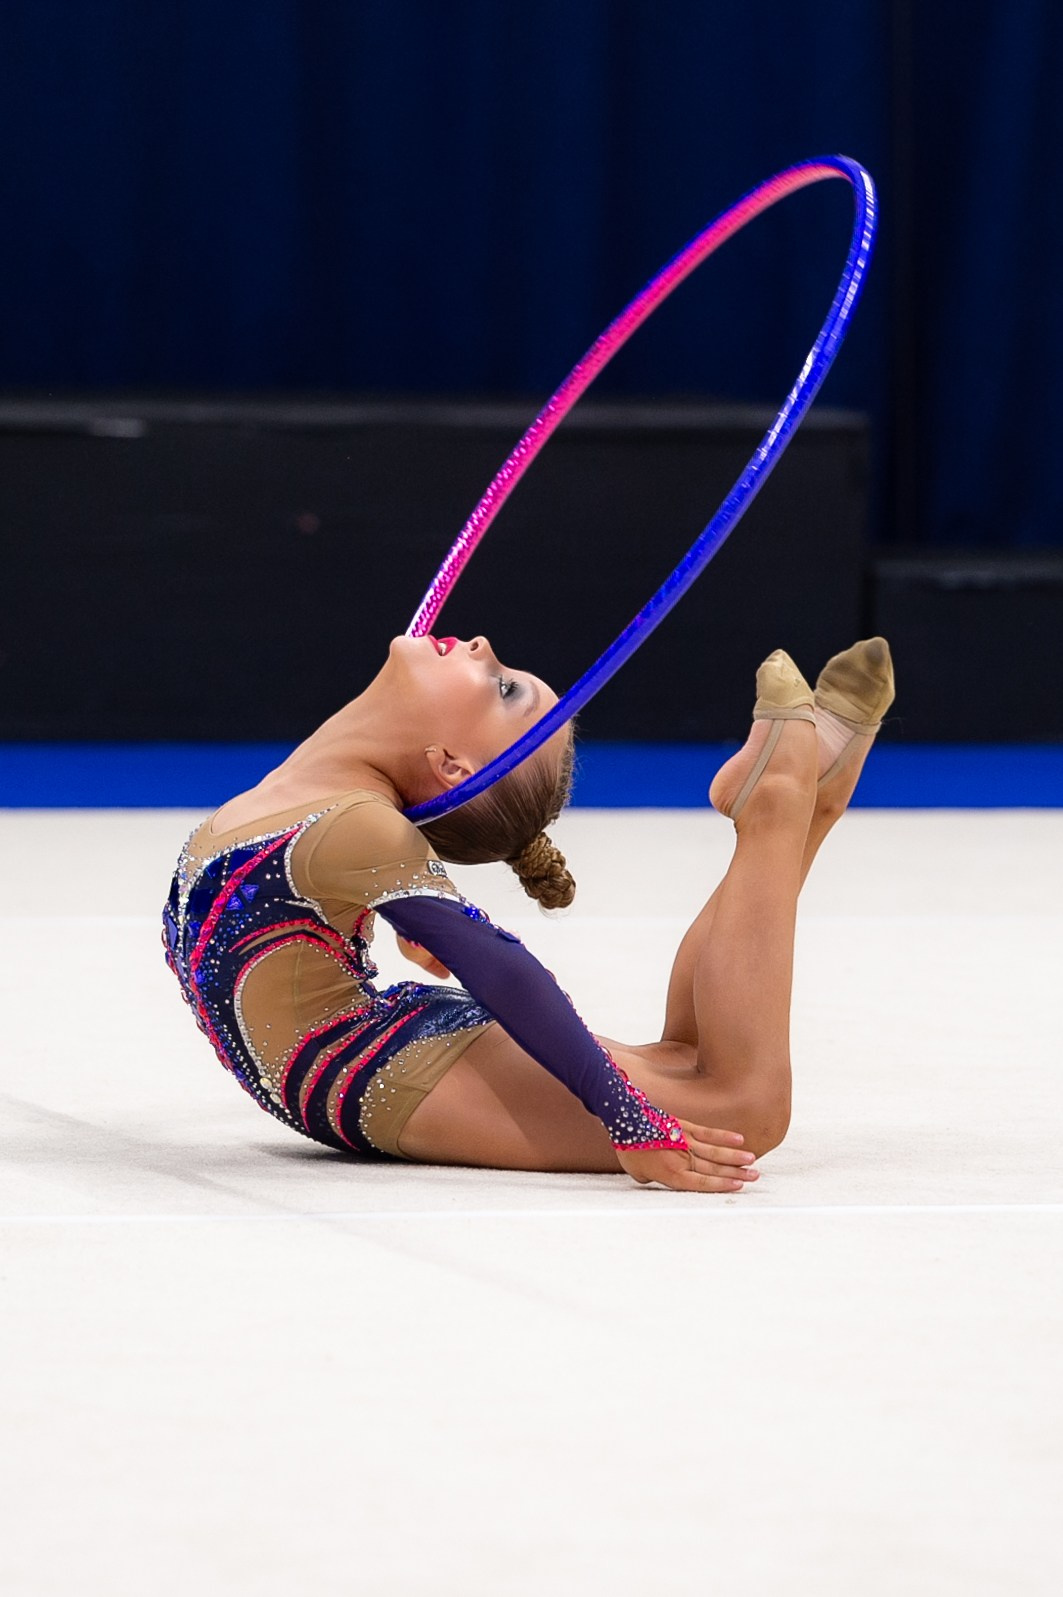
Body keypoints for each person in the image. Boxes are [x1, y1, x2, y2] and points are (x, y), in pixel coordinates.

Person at [163, 632, 894, 1194]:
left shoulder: (343, 821)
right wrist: (392, 914)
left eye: (502, 686)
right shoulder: (331, 814)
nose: (481, 646)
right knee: (706, 1078)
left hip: (377, 1067)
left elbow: (505, 974)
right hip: (380, 1052)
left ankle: (783, 809)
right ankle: (801, 806)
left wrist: (626, 1119)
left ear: (450, 762)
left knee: (739, 1106)